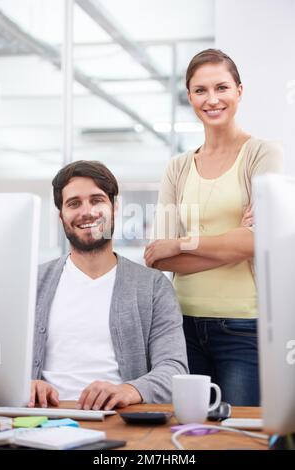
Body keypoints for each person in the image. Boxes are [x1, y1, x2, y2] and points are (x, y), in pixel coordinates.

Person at [144, 49, 283, 406]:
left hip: (244, 326)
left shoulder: (262, 154)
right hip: (181, 325)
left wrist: (180, 244)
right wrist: (233, 239)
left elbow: (258, 242)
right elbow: (157, 256)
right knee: (188, 434)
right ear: (189, 96)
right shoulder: (177, 167)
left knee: (237, 437)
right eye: (200, 90)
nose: (212, 99)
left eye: (221, 87)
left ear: (239, 90)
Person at [30, 160, 188, 410]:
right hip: (44, 421)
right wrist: (24, 383)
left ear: (115, 208)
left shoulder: (153, 286)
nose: (87, 211)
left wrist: (130, 390)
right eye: (74, 203)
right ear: (61, 215)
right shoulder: (33, 283)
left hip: (119, 420)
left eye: (97, 200)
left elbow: (174, 370)